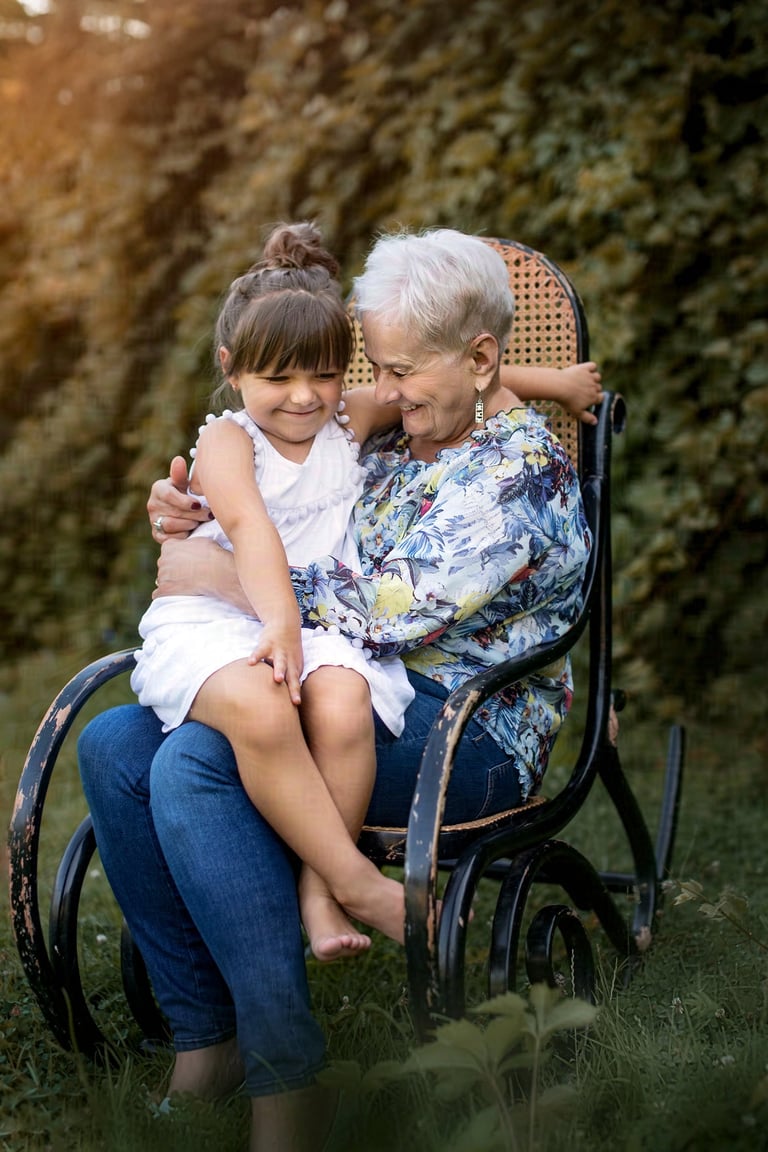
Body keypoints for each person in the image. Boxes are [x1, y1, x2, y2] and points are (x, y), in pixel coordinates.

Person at [78, 226, 599, 1152]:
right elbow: (289, 498)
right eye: (379, 368)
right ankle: (210, 1035)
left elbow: (382, 611)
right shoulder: (416, 427)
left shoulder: (515, 475)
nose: (379, 391)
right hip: (343, 682)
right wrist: (192, 511)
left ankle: (287, 1074)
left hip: (467, 727)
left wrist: (207, 569)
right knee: (113, 747)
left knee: (197, 762)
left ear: (480, 359)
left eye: (399, 370)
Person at [131, 222, 416, 962]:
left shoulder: (347, 419)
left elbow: (439, 381)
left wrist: (556, 385)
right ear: (232, 368)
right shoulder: (230, 441)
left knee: (346, 704)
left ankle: (319, 893)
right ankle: (356, 879)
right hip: (219, 613)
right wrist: (281, 624)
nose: (302, 397)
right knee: (264, 706)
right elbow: (251, 530)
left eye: (322, 374)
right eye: (277, 378)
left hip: (312, 619)